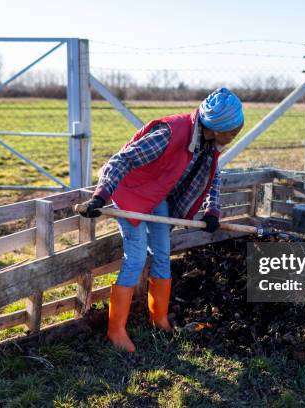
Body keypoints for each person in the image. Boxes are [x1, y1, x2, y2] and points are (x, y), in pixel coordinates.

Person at [79, 87, 244, 352]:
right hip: (130, 193)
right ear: (215, 126)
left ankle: (159, 318)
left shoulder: (209, 145)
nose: (236, 136)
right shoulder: (170, 133)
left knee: (162, 252)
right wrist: (101, 196)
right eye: (233, 131)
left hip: (157, 195)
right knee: (136, 257)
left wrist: (213, 210)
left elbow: (211, 178)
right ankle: (116, 329)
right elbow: (120, 160)